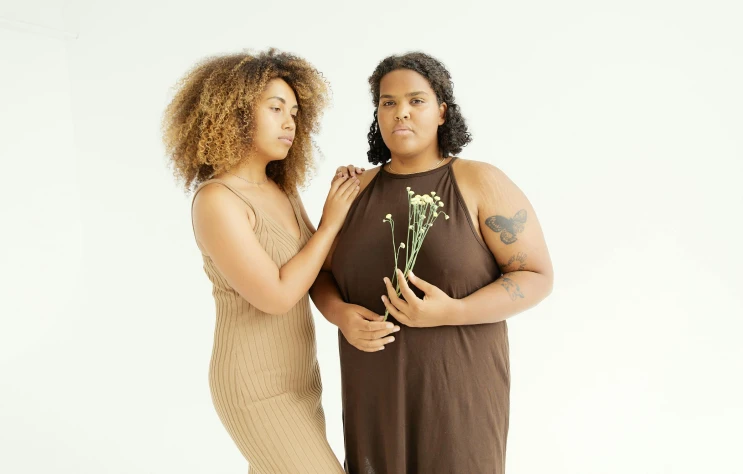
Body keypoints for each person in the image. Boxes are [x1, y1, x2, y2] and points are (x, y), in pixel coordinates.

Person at [312, 52, 554, 474]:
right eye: (387, 102)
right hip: (373, 396)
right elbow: (320, 273)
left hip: (458, 397)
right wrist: (342, 316)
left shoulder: (479, 181)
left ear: (442, 111)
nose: (400, 112)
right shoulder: (353, 191)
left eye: (416, 101)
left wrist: (454, 311)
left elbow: (536, 275)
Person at [163, 49, 357, 474]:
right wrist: (330, 222)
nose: (290, 122)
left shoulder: (282, 190)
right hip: (254, 387)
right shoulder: (217, 200)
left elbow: (320, 267)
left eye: (294, 111)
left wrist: (355, 197)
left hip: (301, 379)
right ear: (234, 113)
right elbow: (277, 295)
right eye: (275, 108)